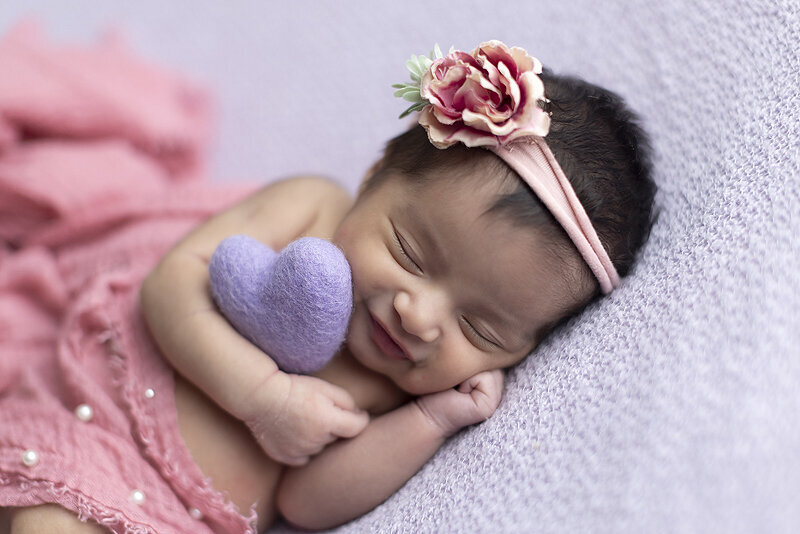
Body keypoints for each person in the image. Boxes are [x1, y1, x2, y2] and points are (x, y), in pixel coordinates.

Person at [2, 41, 655, 533]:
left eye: (480, 329)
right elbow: (171, 285)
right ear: (375, 175)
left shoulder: (403, 394)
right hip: (94, 412)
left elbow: (304, 502)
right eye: (410, 251)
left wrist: (431, 421)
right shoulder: (313, 206)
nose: (419, 316)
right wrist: (262, 400)